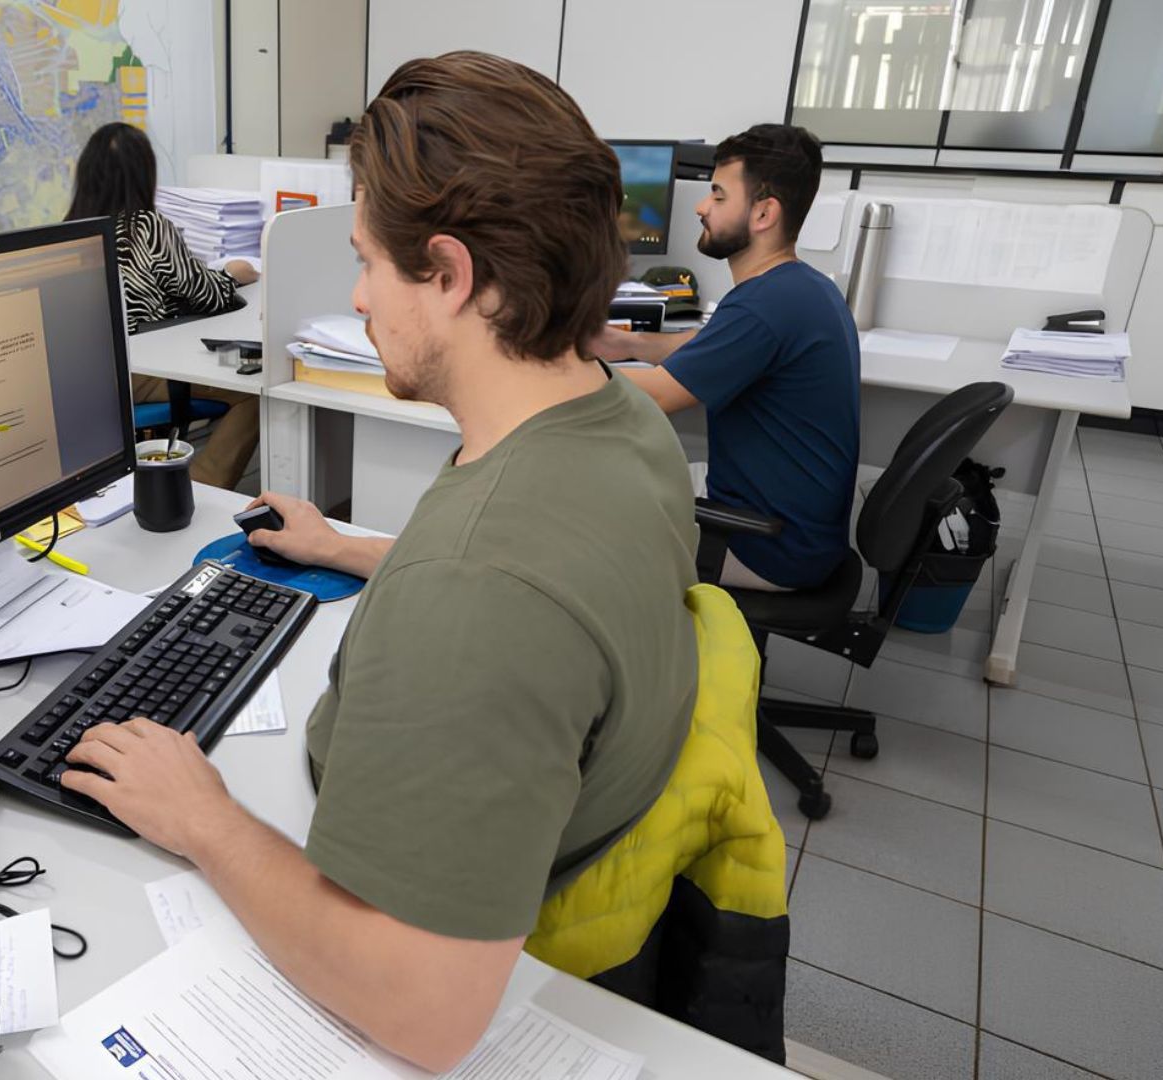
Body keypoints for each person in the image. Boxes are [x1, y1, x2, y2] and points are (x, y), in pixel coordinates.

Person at [60, 53, 699, 1071]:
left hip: (455, 950)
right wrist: (344, 547)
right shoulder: (619, 421)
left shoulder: (479, 594)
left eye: (367, 262)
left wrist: (204, 822)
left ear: (448, 275)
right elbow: (531, 565)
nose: (355, 296)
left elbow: (424, 1016)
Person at [592, 124, 860, 592]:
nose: (700, 206)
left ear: (762, 213)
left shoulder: (764, 306)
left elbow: (651, 396)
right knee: (625, 477)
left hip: (768, 547)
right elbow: (708, 342)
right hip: (794, 528)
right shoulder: (802, 287)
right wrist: (628, 345)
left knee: (585, 521)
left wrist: (533, 364)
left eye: (717, 195)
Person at [66, 122, 260, 489]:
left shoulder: (70, 232)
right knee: (258, 387)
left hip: (88, 379)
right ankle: (201, 482)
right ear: (143, 175)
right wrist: (233, 273)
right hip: (136, 374)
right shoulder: (148, 227)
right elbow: (207, 294)